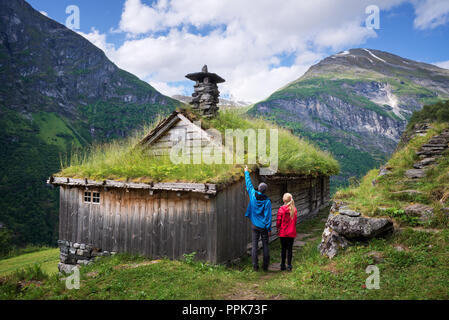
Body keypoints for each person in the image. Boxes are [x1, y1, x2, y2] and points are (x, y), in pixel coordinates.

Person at [244, 166, 272, 271]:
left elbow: (248, 184)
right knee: (265, 246)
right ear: (265, 191)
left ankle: (255, 266)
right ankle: (265, 267)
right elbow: (268, 216)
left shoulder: (252, 194)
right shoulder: (267, 201)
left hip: (255, 225)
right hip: (264, 227)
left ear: (258, 188)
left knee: (254, 245)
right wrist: (269, 229)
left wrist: (246, 172)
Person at [276, 193, 297, 271]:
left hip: (283, 232)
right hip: (291, 232)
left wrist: (278, 227)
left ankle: (282, 265)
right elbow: (295, 222)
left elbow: (278, 221)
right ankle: (289, 265)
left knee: (283, 249)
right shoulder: (294, 209)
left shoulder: (281, 209)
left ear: (283, 200)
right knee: (290, 249)